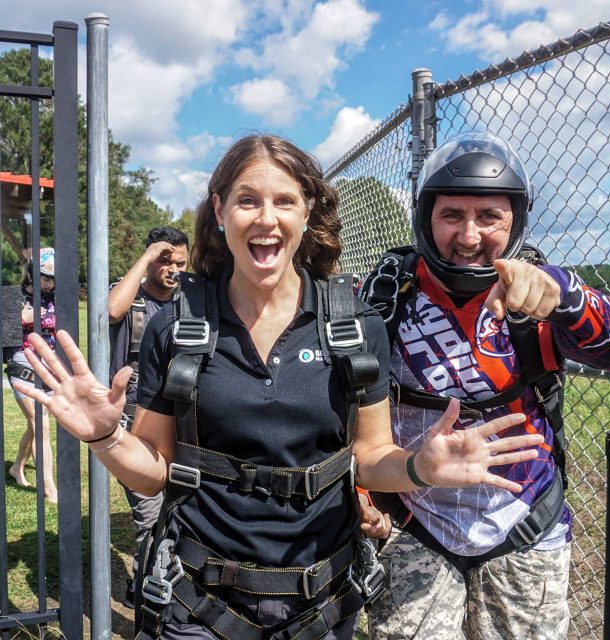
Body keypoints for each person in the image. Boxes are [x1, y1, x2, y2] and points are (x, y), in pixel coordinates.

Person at [14, 134, 545, 640]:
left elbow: (371, 453)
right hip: (199, 601)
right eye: (248, 201)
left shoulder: (357, 328)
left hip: (321, 602)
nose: (266, 219)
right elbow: (155, 472)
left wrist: (416, 468)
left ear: (307, 211)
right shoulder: (178, 327)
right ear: (220, 210)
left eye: (284, 201)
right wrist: (107, 437)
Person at [361, 131, 610, 640]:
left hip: (525, 523)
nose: (469, 237)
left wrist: (566, 297)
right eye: (452, 216)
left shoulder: (538, 295)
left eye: (488, 216)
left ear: (515, 221)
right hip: (415, 520)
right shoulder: (387, 294)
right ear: (425, 218)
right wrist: (363, 490)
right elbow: (345, 404)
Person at [108, 226, 189, 608]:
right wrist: (145, 259)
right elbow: (111, 310)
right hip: (135, 423)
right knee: (150, 514)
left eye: (180, 263)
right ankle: (150, 602)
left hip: (181, 422)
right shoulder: (133, 300)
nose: (173, 269)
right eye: (166, 260)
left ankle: (150, 585)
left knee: (180, 513)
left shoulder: (189, 304)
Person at [7, 247, 58, 504]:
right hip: (22, 368)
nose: (50, 283)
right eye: (46, 277)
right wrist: (24, 317)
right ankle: (49, 489)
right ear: (31, 274)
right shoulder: (13, 297)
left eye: (53, 279)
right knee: (42, 425)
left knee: (33, 425)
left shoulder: (56, 298)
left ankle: (17, 468)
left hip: (47, 370)